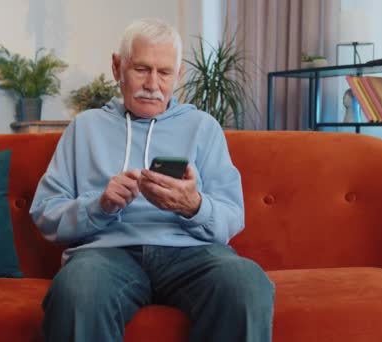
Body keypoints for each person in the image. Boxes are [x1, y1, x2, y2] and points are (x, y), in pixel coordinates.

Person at [30, 17, 274, 342]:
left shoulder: (203, 127)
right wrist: (100, 205)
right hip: (106, 255)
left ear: (179, 75)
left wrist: (193, 205)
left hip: (193, 254)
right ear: (118, 68)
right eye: (142, 69)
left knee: (247, 284)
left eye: (164, 72)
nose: (152, 84)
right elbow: (45, 214)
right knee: (77, 290)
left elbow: (232, 217)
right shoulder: (84, 128)